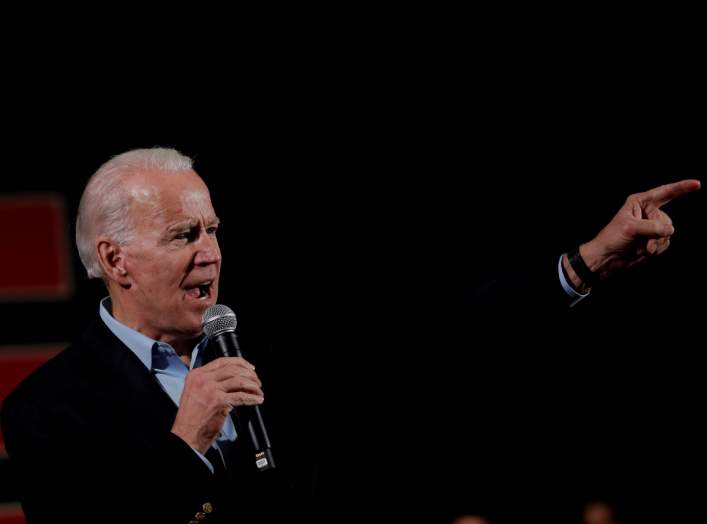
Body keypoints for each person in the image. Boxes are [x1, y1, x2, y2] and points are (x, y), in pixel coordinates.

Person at [0, 148, 282, 523]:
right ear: (115, 260)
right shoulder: (45, 409)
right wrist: (187, 444)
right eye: (184, 236)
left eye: (211, 231)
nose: (210, 254)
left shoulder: (275, 355)